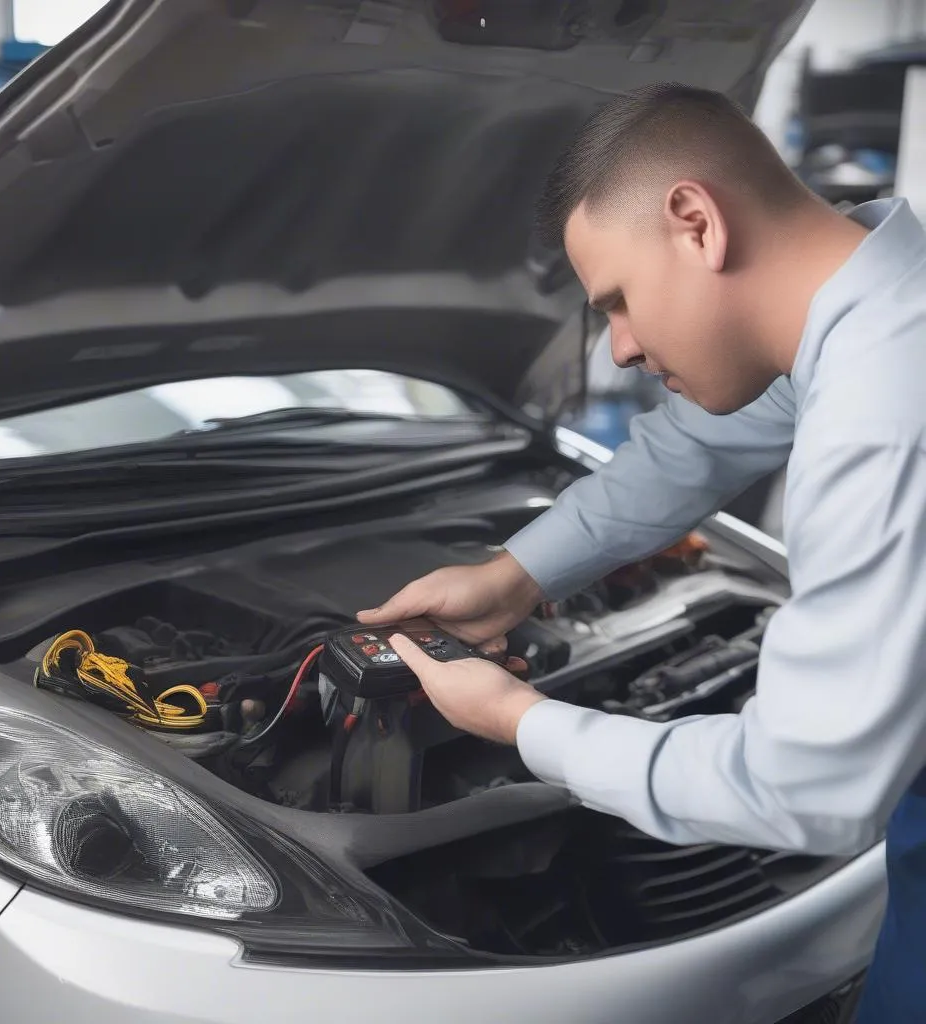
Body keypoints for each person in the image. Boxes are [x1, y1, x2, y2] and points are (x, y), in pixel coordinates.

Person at [356, 83, 926, 1022]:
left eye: (617, 301)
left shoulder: (882, 418)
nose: (618, 348)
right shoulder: (881, 301)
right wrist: (514, 574)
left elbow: (805, 792)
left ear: (696, 222)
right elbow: (700, 443)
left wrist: (521, 723)